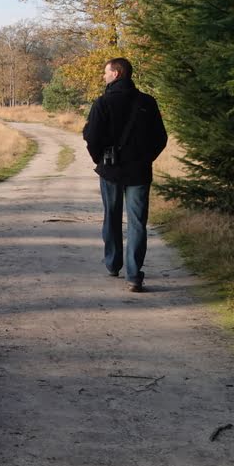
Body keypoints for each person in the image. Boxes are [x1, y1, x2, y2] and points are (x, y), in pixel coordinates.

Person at [82, 57, 168, 292]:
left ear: (117, 74)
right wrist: (146, 158)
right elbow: (161, 138)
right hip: (139, 170)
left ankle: (112, 263)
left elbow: (91, 137)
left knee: (111, 216)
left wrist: (100, 159)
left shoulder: (102, 103)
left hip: (110, 170)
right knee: (138, 222)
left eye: (105, 72)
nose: (103, 76)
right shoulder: (148, 102)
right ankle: (134, 275)